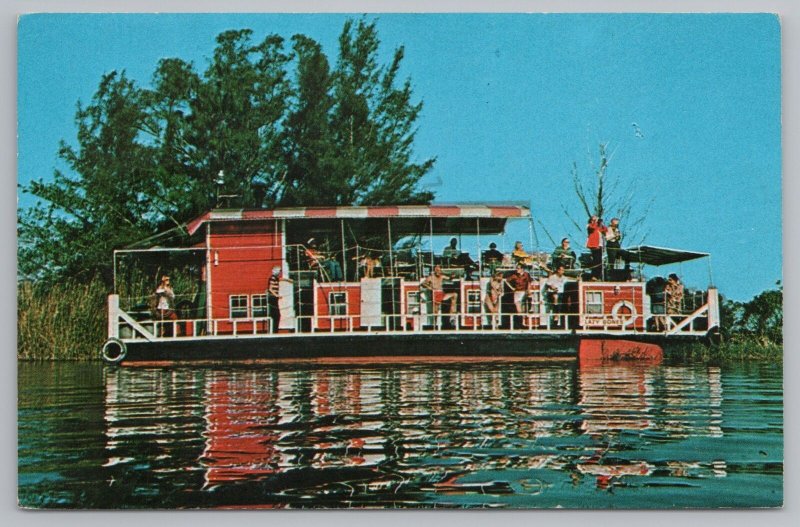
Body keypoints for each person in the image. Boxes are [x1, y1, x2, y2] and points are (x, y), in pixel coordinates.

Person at [586, 215, 607, 280]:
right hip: (594, 245)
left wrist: (601, 223)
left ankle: (597, 276)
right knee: (596, 261)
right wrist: (595, 221)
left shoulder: (598, 227)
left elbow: (605, 230)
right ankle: (594, 275)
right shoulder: (589, 225)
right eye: (594, 219)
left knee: (599, 261)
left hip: (600, 245)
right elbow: (593, 228)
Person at [266, 266, 281, 332]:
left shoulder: (276, 279)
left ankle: (274, 329)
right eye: (279, 271)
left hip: (274, 298)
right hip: (272, 298)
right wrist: (276, 295)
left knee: (276, 315)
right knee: (276, 315)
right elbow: (270, 289)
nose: (280, 273)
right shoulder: (272, 278)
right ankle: (274, 330)